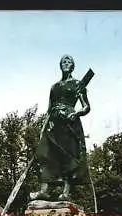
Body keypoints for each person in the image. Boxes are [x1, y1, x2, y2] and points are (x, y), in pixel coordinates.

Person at [30, 54, 90, 202]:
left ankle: (66, 191)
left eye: (68, 61)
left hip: (69, 123)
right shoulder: (54, 87)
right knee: (45, 154)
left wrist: (76, 114)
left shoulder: (77, 84)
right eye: (63, 61)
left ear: (73, 65)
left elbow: (86, 106)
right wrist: (45, 125)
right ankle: (44, 190)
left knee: (67, 155)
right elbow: (49, 108)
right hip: (53, 122)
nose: (66, 63)